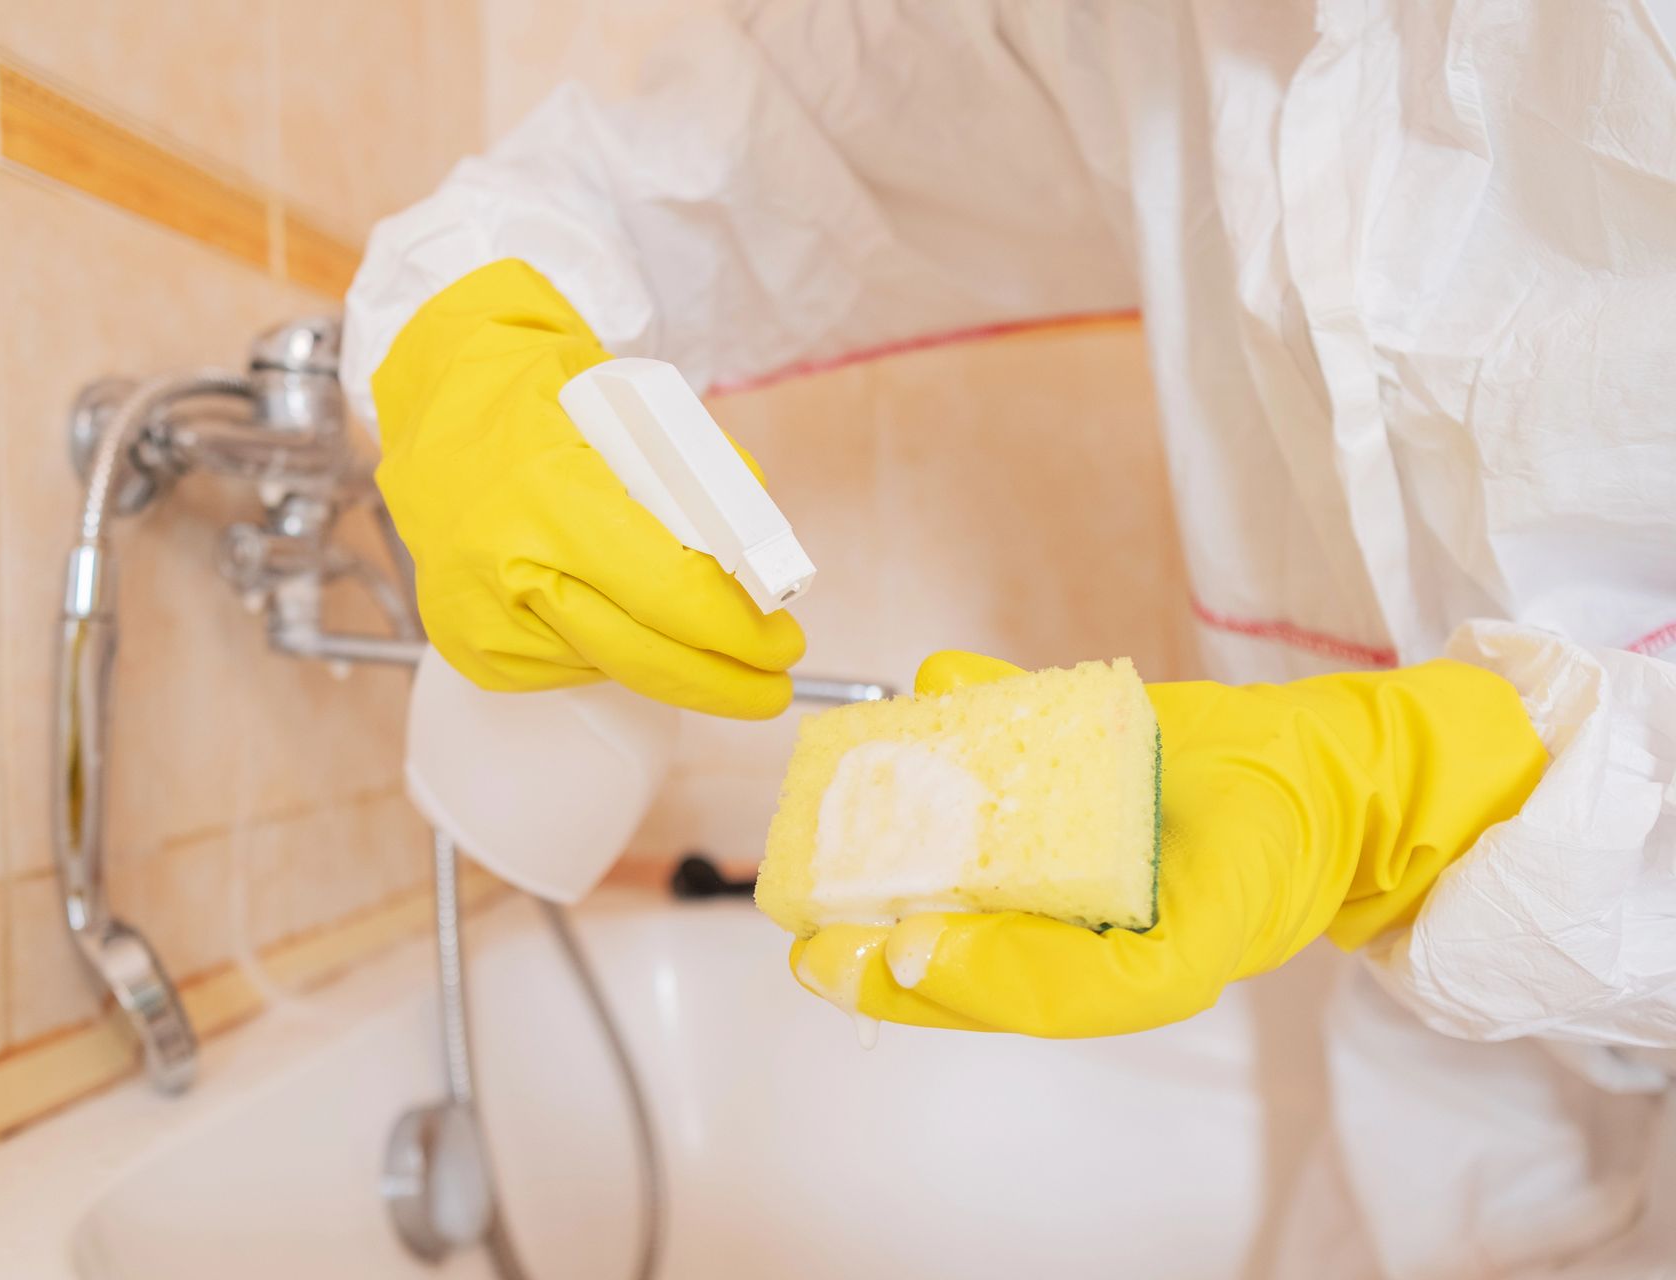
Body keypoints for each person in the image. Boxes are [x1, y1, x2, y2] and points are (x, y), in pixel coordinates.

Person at [342, 3, 1676, 1273]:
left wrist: (1446, 782)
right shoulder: (1113, 25)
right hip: (1419, 1096)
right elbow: (705, 155)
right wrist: (474, 339)